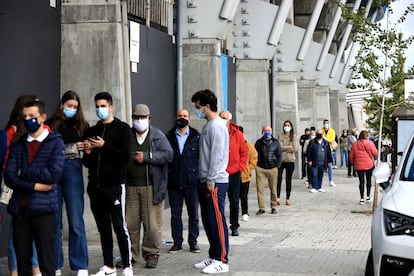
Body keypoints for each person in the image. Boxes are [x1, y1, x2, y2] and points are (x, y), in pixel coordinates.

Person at [4, 100, 65, 276]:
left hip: (44, 209)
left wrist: (23, 173)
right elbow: (9, 176)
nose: (28, 120)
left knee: (47, 262)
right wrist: (35, 185)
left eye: (32, 116)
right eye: (25, 117)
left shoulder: (55, 143)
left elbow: (53, 174)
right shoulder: (18, 144)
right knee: (23, 261)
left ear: (43, 117)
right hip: (20, 210)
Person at [82, 92, 133, 276]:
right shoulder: (91, 131)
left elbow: (124, 158)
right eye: (97, 106)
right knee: (103, 228)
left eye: (103, 106)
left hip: (115, 186)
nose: (99, 109)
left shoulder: (123, 129)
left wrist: (104, 146)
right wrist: (87, 153)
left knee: (119, 227)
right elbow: (87, 164)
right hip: (95, 187)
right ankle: (108, 266)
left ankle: (127, 265)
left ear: (111, 107)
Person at [125, 104, 173, 268]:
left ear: (149, 118)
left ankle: (151, 253)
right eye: (136, 118)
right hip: (130, 187)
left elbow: (168, 154)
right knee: (131, 223)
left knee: (152, 224)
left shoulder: (158, 136)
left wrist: (147, 156)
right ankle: (130, 254)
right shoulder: (127, 136)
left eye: (142, 117)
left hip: (151, 186)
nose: (139, 121)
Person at [47, 91, 89, 276]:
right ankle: (55, 264)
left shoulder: (82, 125)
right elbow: (46, 148)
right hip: (54, 170)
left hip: (73, 169)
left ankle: (80, 264)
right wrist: (71, 147)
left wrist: (86, 148)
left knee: (75, 220)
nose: (71, 109)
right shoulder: (50, 124)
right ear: (61, 104)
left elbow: (88, 154)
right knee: (54, 221)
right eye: (69, 105)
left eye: (74, 106)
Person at [4, 95, 44, 276]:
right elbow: (7, 164)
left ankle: (34, 267)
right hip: (15, 186)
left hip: (32, 184)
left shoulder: (40, 133)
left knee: (34, 228)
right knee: (15, 230)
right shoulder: (12, 133)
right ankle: (14, 270)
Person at [191, 89, 230, 274]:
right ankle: (213, 256)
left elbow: (217, 155)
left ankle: (222, 259)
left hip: (214, 181)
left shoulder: (217, 126)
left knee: (217, 220)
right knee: (208, 220)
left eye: (198, 107)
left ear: (207, 107)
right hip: (205, 179)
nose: (196, 110)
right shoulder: (209, 125)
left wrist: (211, 179)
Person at [166, 109, 200, 253]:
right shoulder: (168, 136)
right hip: (174, 182)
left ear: (189, 119)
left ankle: (193, 242)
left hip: (192, 182)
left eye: (185, 116)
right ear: (176, 117)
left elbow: (201, 158)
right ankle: (177, 242)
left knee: (193, 214)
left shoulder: (196, 136)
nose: (182, 118)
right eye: (179, 115)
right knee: (175, 215)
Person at [218, 110, 248, 237]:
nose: (223, 120)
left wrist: (240, 167)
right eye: (221, 118)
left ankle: (234, 225)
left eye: (225, 118)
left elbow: (244, 152)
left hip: (234, 172)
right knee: (219, 202)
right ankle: (219, 226)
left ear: (230, 120)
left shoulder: (237, 134)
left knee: (234, 201)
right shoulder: (216, 132)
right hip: (220, 172)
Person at [254, 125, 282, 215]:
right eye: (265, 130)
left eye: (268, 130)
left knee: (273, 189)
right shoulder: (259, 142)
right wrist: (256, 166)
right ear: (262, 131)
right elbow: (255, 154)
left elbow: (279, 155)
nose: (267, 132)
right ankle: (261, 208)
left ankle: (273, 206)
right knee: (260, 189)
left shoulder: (276, 142)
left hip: (272, 168)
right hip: (261, 168)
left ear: (271, 131)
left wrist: (277, 166)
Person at [349, 130, 378, 204]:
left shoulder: (355, 144)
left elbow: (351, 155)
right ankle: (368, 197)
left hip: (358, 165)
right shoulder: (370, 143)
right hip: (369, 164)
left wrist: (353, 163)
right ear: (367, 136)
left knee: (361, 181)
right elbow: (375, 152)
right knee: (368, 181)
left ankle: (361, 199)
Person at [238, 126, 257, 222]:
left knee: (244, 195)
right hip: (234, 174)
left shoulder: (248, 146)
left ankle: (245, 212)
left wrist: (248, 169)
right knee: (234, 196)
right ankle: (236, 210)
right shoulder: (231, 145)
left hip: (245, 175)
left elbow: (254, 158)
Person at [277, 120, 297, 206]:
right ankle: (277, 197)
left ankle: (288, 198)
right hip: (281, 160)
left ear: (291, 127)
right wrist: (289, 146)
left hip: (290, 160)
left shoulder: (294, 136)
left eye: (288, 125)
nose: (286, 127)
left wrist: (285, 148)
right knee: (279, 179)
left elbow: (295, 148)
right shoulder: (280, 136)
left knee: (288, 180)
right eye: (285, 125)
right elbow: (279, 147)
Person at [306, 129, 332, 193]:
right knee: (314, 174)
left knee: (320, 175)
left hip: (323, 162)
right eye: (318, 133)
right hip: (314, 161)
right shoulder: (312, 142)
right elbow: (308, 152)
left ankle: (319, 187)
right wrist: (309, 160)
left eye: (320, 133)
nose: (319, 135)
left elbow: (329, 152)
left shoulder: (325, 142)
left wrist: (330, 161)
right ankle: (314, 187)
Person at [321, 119, 336, 187]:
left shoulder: (332, 131)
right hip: (321, 149)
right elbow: (320, 139)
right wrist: (326, 139)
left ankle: (330, 180)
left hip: (330, 149)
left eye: (327, 123)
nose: (325, 124)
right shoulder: (321, 130)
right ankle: (320, 182)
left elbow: (332, 139)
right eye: (324, 123)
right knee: (321, 166)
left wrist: (324, 139)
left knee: (330, 165)